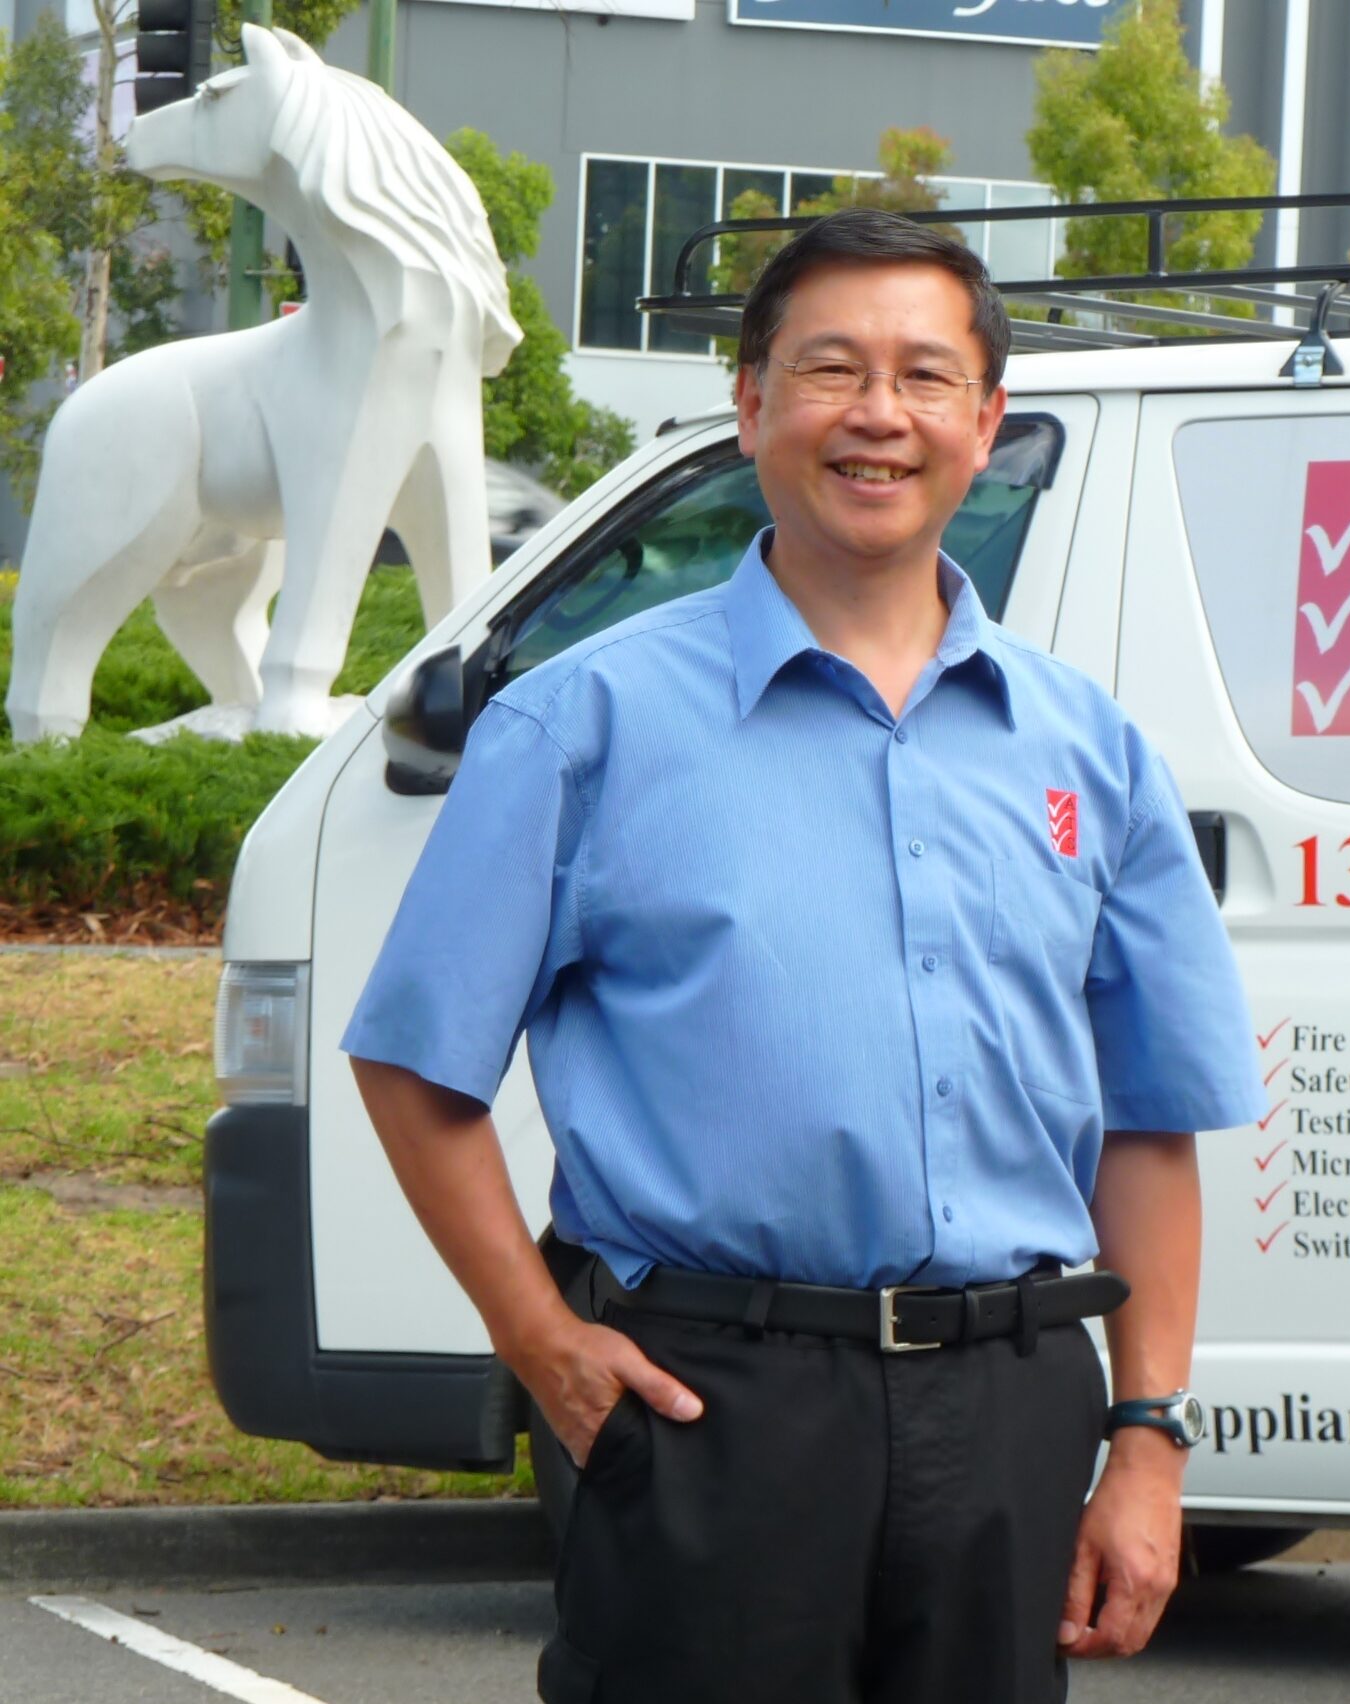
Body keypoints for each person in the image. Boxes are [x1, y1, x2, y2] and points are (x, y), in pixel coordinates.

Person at [343, 207, 1265, 1704]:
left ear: (985, 423)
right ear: (752, 404)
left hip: (1013, 1400)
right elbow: (413, 1061)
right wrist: (538, 1336)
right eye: (831, 370)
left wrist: (1145, 1438)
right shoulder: (583, 727)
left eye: (922, 377)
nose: (877, 416)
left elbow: (1149, 1120)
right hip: (713, 1400)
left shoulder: (1087, 752)